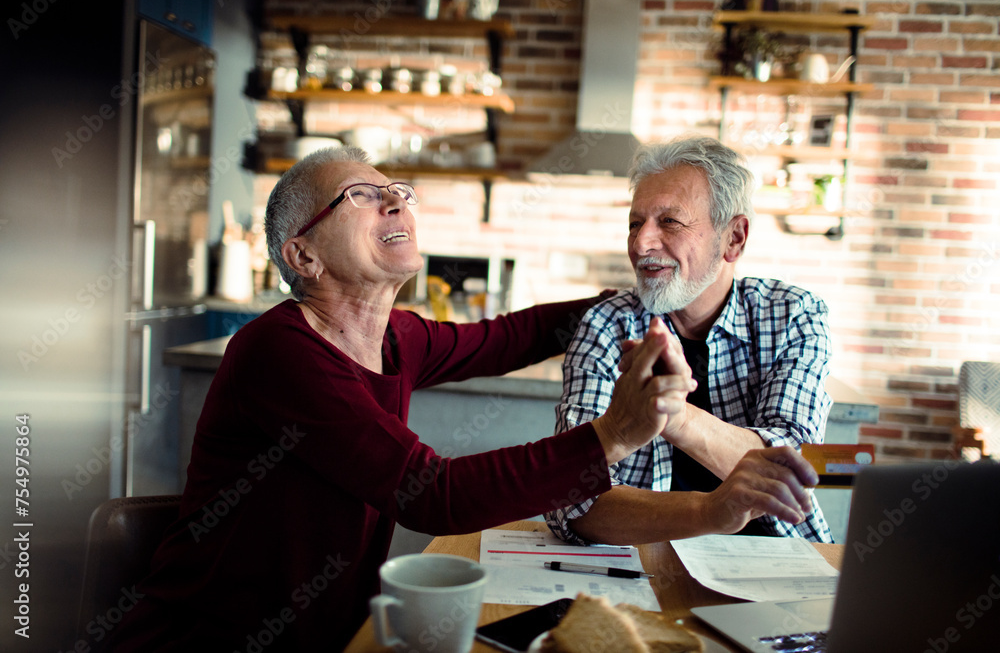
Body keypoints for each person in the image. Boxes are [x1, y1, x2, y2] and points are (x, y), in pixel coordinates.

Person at [106, 147, 688, 652]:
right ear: (303, 256)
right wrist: (610, 435)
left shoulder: (396, 337)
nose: (394, 203)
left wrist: (635, 300)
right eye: (360, 195)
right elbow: (433, 494)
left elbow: (508, 337)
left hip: (334, 638)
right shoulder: (278, 351)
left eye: (397, 193)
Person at [544, 136, 835, 546]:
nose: (641, 243)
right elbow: (570, 502)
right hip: (642, 567)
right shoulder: (608, 326)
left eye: (669, 221)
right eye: (635, 223)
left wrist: (674, 416)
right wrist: (709, 512)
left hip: (775, 564)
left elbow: (794, 471)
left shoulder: (793, 315)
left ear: (734, 238)